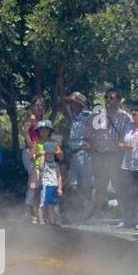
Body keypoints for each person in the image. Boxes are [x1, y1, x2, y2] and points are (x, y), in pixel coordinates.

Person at [88, 88, 134, 222]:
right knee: (100, 186)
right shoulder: (97, 115)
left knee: (118, 186)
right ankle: (96, 214)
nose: (108, 100)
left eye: (111, 98)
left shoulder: (125, 117)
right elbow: (88, 133)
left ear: (119, 100)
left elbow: (130, 135)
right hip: (99, 155)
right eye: (106, 97)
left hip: (116, 155)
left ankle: (124, 215)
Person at [61, 93, 92, 223]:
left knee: (86, 183)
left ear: (79, 104)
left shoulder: (88, 115)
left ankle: (88, 211)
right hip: (73, 153)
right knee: (72, 185)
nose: (71, 104)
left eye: (73, 102)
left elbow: (96, 129)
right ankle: (85, 204)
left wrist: (90, 141)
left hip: (83, 152)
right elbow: (62, 101)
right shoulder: (72, 115)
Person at [120, 105, 138, 231]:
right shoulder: (128, 126)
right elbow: (120, 142)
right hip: (127, 163)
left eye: (137, 110)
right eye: (133, 110)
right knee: (127, 192)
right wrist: (124, 146)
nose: (134, 112)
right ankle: (127, 218)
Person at [38, 141, 63, 225]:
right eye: (47, 154)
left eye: (52, 154)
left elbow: (59, 176)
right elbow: (40, 168)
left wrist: (59, 188)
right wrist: (41, 156)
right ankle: (41, 220)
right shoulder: (44, 163)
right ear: (45, 154)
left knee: (52, 205)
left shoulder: (56, 164)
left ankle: (52, 221)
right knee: (42, 204)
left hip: (54, 187)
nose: (50, 156)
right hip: (46, 186)